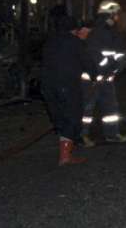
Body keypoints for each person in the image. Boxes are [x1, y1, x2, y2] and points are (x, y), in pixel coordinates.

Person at [41, 16, 96, 165]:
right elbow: (88, 63)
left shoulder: (50, 42)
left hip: (47, 85)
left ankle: (65, 148)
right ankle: (65, 156)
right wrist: (94, 75)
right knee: (72, 115)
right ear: (74, 29)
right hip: (67, 85)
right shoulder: (75, 43)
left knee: (59, 115)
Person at [81, 0, 126, 146]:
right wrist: (109, 66)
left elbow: (117, 54)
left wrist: (118, 66)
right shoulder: (99, 32)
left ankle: (112, 134)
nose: (118, 18)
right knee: (87, 110)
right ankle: (81, 136)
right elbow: (94, 55)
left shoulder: (109, 32)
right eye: (116, 15)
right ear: (111, 15)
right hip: (94, 78)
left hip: (106, 78)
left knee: (110, 108)